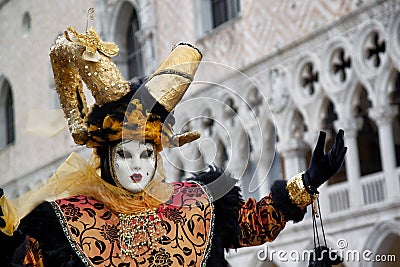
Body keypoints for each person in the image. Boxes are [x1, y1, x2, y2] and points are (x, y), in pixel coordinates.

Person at [0, 25, 347, 267]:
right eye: (124, 153)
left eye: (146, 153)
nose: (138, 165)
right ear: (105, 157)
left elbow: (254, 224)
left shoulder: (195, 204)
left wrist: (309, 181)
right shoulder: (68, 223)